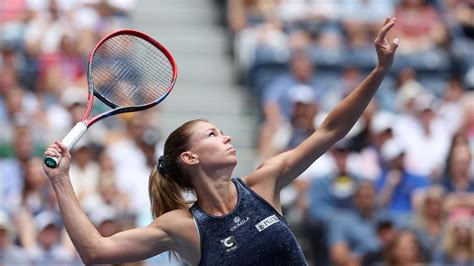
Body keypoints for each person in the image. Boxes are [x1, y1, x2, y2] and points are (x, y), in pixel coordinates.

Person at [42, 17, 399, 265]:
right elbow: (95, 251)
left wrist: (379, 71)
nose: (226, 136)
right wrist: (60, 181)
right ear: (190, 158)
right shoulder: (182, 227)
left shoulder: (264, 183)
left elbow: (330, 130)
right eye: (212, 134)